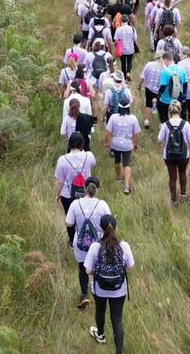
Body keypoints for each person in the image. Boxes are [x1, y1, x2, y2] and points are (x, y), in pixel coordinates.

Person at [86, 214, 135, 354]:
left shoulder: (95, 247)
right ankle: (119, 351)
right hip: (119, 289)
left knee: (100, 311)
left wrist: (98, 273)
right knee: (117, 319)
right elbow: (130, 267)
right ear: (116, 228)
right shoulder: (124, 246)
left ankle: (100, 335)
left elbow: (88, 270)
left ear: (100, 228)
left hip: (99, 288)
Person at [66, 177, 111, 310]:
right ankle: (98, 293)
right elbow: (110, 223)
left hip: (80, 243)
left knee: (82, 268)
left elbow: (69, 223)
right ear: (97, 189)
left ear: (84, 188)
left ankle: (84, 294)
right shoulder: (102, 204)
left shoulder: (75, 204)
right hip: (97, 244)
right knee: (97, 267)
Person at [54, 133, 97, 246]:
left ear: (69, 144)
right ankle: (87, 239)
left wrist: (57, 194)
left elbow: (59, 181)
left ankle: (73, 242)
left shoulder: (62, 160)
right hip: (86, 192)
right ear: (82, 143)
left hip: (68, 195)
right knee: (86, 216)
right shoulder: (89, 156)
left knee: (70, 218)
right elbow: (93, 164)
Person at [157, 101, 190, 207]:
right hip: (183, 155)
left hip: (169, 155)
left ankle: (173, 200)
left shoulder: (165, 125)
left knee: (172, 177)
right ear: (180, 110)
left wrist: (161, 145)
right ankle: (183, 195)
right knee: (182, 173)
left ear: (169, 111)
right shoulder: (185, 124)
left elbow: (160, 140)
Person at [105, 96, 140, 196]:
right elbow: (136, 134)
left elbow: (108, 132)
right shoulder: (133, 118)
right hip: (127, 144)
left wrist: (106, 143)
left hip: (115, 143)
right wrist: (136, 144)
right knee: (127, 163)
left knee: (117, 160)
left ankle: (119, 177)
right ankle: (127, 185)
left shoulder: (113, 117)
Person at [157, 52, 188, 124]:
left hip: (166, 100)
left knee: (164, 116)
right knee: (178, 115)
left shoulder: (164, 72)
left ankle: (166, 127)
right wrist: (184, 95)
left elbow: (163, 86)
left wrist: (158, 97)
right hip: (178, 99)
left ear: (165, 60)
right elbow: (185, 84)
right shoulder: (181, 69)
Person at [138, 52, 163, 129]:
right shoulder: (165, 67)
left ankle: (146, 121)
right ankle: (161, 123)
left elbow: (142, 77)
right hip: (160, 91)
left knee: (148, 104)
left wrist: (139, 86)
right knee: (161, 106)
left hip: (149, 89)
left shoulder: (149, 64)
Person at [113, 14, 137, 79]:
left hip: (122, 50)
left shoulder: (118, 29)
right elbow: (135, 39)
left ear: (121, 20)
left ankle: (124, 77)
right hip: (130, 48)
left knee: (123, 63)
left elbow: (115, 40)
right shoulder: (132, 29)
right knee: (130, 61)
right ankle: (128, 72)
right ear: (128, 20)